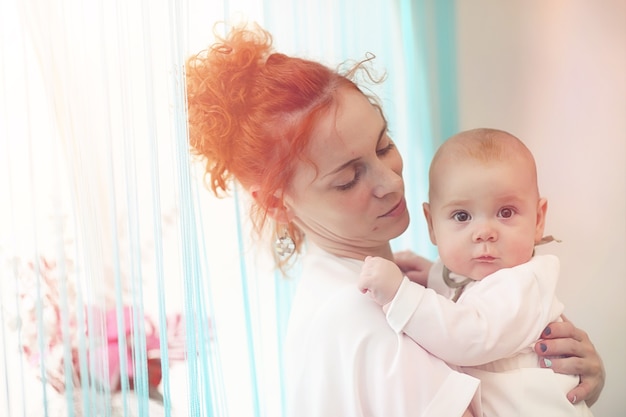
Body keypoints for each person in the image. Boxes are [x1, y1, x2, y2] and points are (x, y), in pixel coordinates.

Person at [185, 22, 605, 417]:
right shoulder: (366, 313)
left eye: (384, 146)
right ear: (277, 204)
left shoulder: (363, 287)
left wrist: (559, 374)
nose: (391, 182)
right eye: (348, 179)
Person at [358, 128, 595, 416]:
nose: (484, 233)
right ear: (432, 224)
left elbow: (468, 335)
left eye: (505, 212)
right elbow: (466, 294)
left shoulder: (523, 284)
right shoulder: (482, 276)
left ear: (538, 219)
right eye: (462, 216)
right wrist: (433, 275)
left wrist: (401, 294)